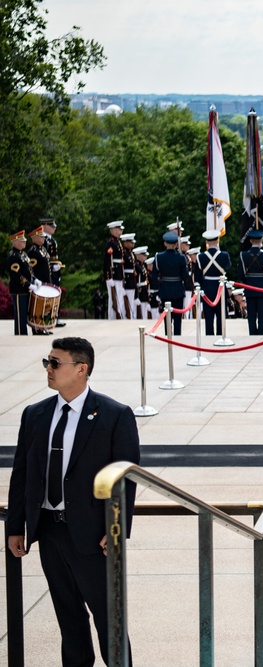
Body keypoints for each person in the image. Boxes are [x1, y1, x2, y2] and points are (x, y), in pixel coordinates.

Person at [6, 337, 141, 666]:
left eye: (55, 363)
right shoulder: (35, 414)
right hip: (50, 533)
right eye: (47, 362)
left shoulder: (114, 415)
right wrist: (15, 526)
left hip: (94, 537)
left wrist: (117, 528)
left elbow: (127, 477)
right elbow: (22, 473)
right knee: (69, 622)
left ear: (82, 369)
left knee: (109, 620)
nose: (48, 369)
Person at [149, 231, 189, 335]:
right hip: (178, 291)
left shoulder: (158, 257)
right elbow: (185, 276)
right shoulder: (181, 258)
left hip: (164, 291)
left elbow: (154, 275)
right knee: (177, 318)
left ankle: (168, 336)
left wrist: (157, 290)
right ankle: (177, 337)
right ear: (176, 244)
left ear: (165, 244)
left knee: (167, 318)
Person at [197, 229, 232, 336]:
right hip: (220, 287)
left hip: (207, 288)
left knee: (209, 316)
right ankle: (221, 336)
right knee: (221, 316)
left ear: (206, 242)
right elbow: (228, 266)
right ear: (218, 241)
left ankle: (209, 336)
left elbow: (198, 276)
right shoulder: (224, 255)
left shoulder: (201, 256)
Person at [238, 228, 263, 335]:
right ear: (261, 240)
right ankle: (261, 333)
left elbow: (241, 273)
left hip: (250, 285)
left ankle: (252, 334)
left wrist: (247, 281)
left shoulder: (244, 255)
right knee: (262, 314)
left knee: (251, 314)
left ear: (250, 241)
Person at [6, 230, 35, 335]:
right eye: (22, 241)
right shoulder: (13, 256)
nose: (24, 243)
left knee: (25, 313)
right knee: (20, 314)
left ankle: (23, 333)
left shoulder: (23, 254)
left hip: (25, 289)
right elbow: (16, 275)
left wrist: (34, 280)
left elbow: (29, 271)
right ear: (15, 242)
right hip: (19, 289)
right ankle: (20, 334)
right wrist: (28, 284)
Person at [41, 217, 66, 327]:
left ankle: (55, 317)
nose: (54, 228)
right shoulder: (43, 240)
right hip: (48, 271)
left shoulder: (52, 239)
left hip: (54, 271)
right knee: (49, 295)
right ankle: (48, 317)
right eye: (51, 226)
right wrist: (52, 266)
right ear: (44, 226)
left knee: (56, 294)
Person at [103, 221, 126, 320]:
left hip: (119, 273)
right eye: (119, 229)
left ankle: (118, 315)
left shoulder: (117, 242)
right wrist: (108, 277)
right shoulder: (111, 243)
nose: (121, 231)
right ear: (113, 230)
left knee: (119, 296)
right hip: (113, 273)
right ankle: (112, 317)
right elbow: (107, 261)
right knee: (113, 298)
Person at [119, 233, 137, 319]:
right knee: (126, 301)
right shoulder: (124, 253)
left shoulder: (130, 253)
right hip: (127, 279)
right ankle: (126, 316)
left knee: (131, 300)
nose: (133, 244)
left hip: (131, 280)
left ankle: (130, 316)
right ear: (125, 243)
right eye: (131, 242)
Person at [133, 246, 151, 319]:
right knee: (140, 311)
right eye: (144, 255)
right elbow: (135, 281)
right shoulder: (136, 266)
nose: (146, 257)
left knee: (144, 311)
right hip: (140, 291)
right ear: (139, 255)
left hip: (144, 291)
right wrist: (136, 296)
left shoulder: (142, 266)